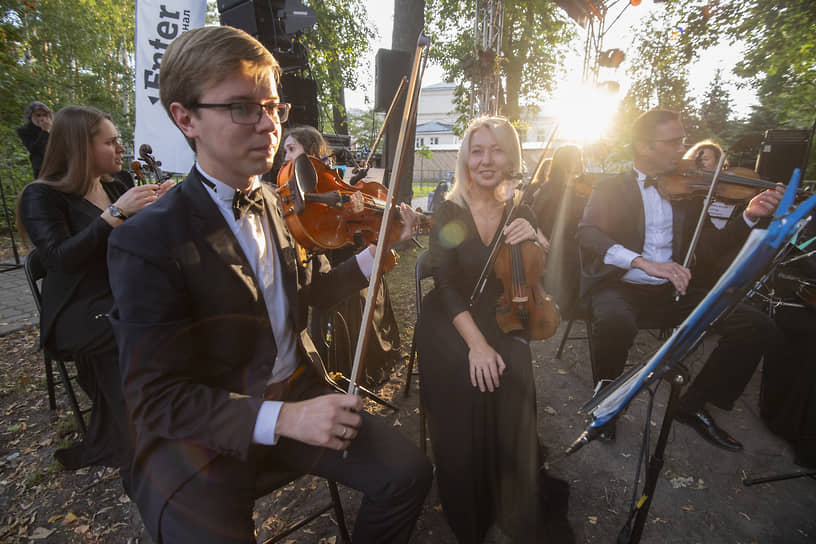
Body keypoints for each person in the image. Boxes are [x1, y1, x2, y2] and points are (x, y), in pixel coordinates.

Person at [106, 26, 431, 543]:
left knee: (407, 474)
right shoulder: (146, 240)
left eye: (273, 107)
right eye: (242, 108)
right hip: (201, 434)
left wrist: (375, 255)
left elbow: (306, 292)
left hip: (295, 391)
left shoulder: (277, 205)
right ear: (184, 117)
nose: (268, 125)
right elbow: (156, 400)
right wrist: (282, 418)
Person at [578, 109, 784, 450]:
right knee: (615, 320)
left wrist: (749, 215)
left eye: (682, 140)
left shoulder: (688, 193)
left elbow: (710, 249)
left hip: (671, 290)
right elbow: (588, 235)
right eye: (674, 141)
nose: (683, 148)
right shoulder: (611, 188)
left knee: (755, 325)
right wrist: (643, 262)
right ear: (644, 147)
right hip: (621, 285)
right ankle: (607, 400)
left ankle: (694, 403)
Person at [416, 116, 571, 543]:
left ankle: (513, 491)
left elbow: (542, 263)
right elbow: (445, 286)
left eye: (497, 150)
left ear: (510, 158)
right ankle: (470, 501)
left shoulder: (521, 206)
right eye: (477, 151)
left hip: (502, 311)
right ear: (466, 158)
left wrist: (538, 239)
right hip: (452, 320)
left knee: (516, 374)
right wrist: (478, 346)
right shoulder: (450, 209)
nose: (486, 160)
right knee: (466, 384)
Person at [17, 106, 170, 488]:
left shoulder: (116, 185)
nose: (121, 149)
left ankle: (163, 417)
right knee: (138, 324)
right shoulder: (42, 196)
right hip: (75, 310)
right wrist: (115, 215)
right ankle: (145, 439)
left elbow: (140, 243)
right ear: (81, 147)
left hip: (121, 294)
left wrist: (163, 206)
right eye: (111, 141)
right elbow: (59, 259)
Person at [282, 125, 404, 384]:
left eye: (291, 149)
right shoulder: (282, 201)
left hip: (340, 264)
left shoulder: (327, 182)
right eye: (285, 150)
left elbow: (339, 241)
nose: (285, 157)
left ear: (311, 154)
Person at [531, 144, 586, 317]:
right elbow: (531, 216)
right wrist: (540, 237)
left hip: (574, 243)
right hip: (553, 244)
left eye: (580, 158)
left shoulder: (582, 187)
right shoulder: (549, 187)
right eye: (575, 158)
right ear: (564, 162)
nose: (579, 161)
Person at [17, 101, 53, 178]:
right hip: (40, 168)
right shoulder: (24, 130)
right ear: (30, 116)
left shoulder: (54, 127)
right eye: (38, 115)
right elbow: (34, 149)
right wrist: (45, 131)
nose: (41, 118)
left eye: (44, 115)